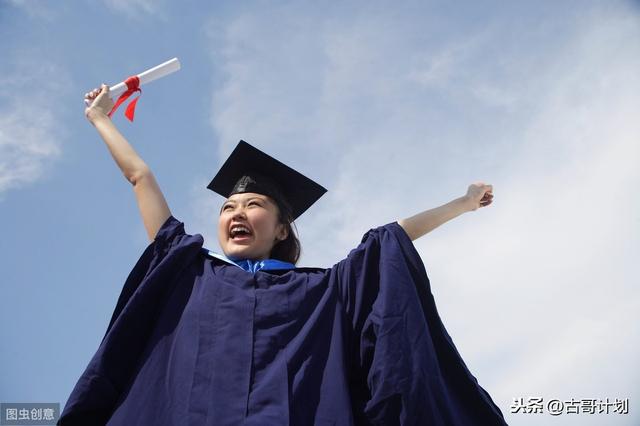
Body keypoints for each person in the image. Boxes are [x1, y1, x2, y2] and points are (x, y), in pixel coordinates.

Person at [58, 85, 505, 425]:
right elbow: (140, 177)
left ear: (282, 228)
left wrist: (462, 203)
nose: (237, 212)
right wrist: (100, 118)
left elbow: (390, 239)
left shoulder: (321, 290)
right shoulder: (191, 272)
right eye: (228, 207)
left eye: (253, 205)